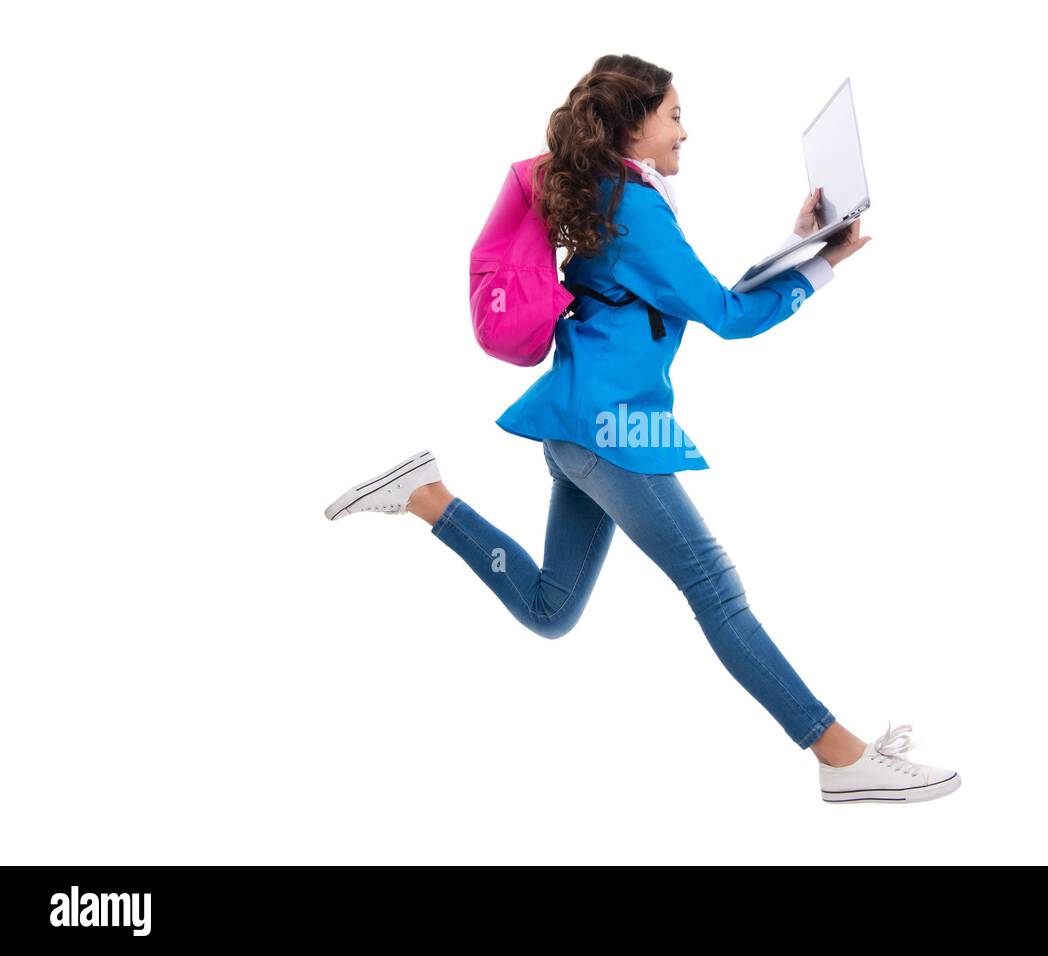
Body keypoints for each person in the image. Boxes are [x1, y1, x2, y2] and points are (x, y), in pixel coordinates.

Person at [324, 55, 961, 804]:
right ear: (635, 124)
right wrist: (818, 269)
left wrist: (802, 250)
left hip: (585, 422)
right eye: (676, 115)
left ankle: (427, 496)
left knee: (550, 611)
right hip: (612, 426)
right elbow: (725, 315)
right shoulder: (633, 204)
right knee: (715, 588)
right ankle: (840, 755)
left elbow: (692, 291)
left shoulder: (619, 195)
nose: (686, 132)